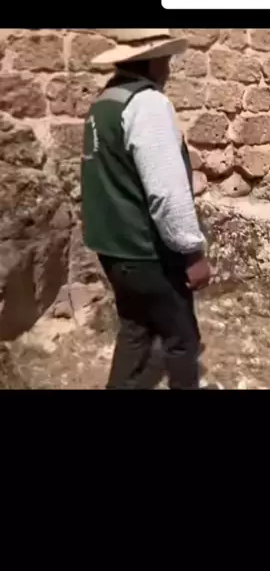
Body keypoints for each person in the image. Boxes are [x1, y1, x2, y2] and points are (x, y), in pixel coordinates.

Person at [81, 29, 211, 389]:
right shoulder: (148, 104)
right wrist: (192, 253)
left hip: (113, 249)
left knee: (135, 329)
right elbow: (166, 192)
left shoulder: (104, 103)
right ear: (153, 62)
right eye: (166, 60)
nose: (168, 69)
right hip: (147, 251)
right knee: (182, 339)